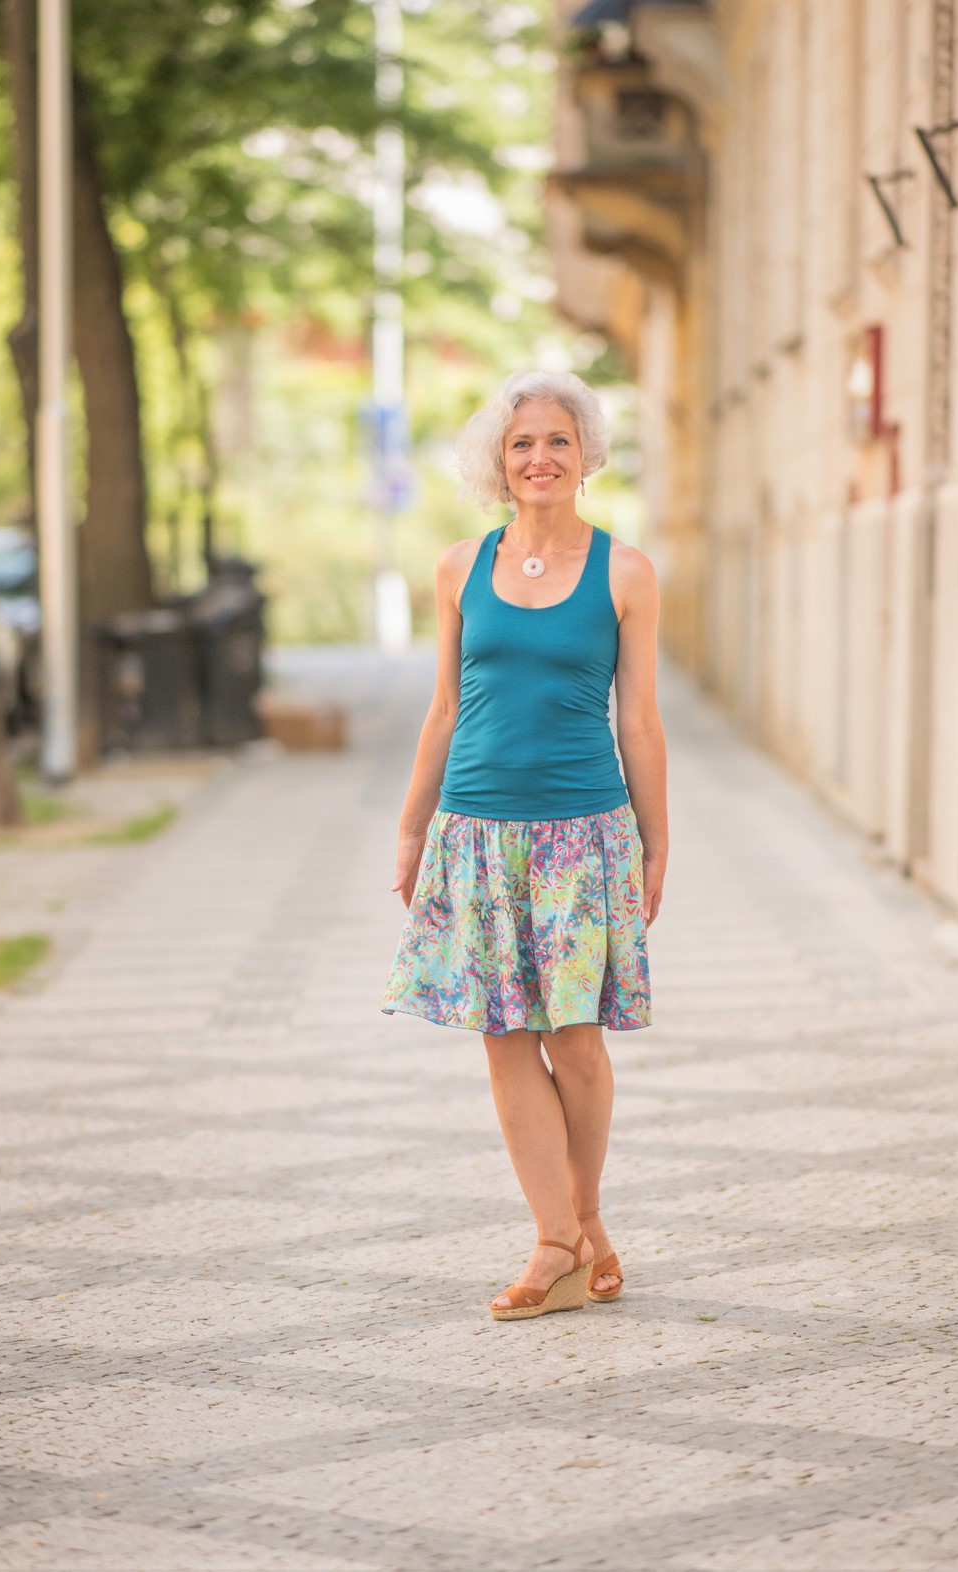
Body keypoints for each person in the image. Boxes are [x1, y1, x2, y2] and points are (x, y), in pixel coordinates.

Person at [381, 369, 669, 1322]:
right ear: (497, 464)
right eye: (521, 444)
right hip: (475, 830)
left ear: (584, 457)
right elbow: (444, 707)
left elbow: (640, 720)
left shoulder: (625, 573)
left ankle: (582, 1220)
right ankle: (557, 1242)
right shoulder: (459, 568)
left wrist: (655, 842)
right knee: (504, 1037)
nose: (539, 457)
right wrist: (413, 827)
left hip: (584, 835)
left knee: (575, 1040)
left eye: (556, 440)